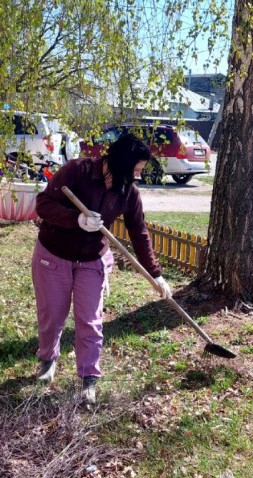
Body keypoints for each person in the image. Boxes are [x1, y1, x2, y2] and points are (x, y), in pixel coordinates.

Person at [32, 132, 172, 405]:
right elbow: (43, 204)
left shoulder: (128, 192)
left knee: (90, 321)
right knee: (52, 315)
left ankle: (88, 380)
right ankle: (48, 360)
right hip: (53, 254)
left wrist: (156, 274)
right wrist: (77, 219)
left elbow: (139, 232)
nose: (139, 175)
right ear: (120, 164)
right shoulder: (77, 171)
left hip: (91, 260)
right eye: (136, 169)